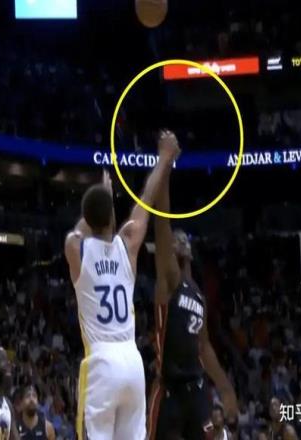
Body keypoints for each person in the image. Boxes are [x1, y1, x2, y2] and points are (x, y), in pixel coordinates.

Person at [64, 130, 180, 440]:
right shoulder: (127, 245)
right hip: (132, 361)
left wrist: (100, 200)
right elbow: (146, 200)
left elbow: (79, 231)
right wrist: (165, 157)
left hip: (101, 362)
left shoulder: (77, 250)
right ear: (113, 215)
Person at [147, 139, 238, 440]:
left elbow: (204, 346)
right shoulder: (169, 279)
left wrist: (225, 388)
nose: (181, 239)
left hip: (196, 388)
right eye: (176, 238)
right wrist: (166, 167)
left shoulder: (197, 293)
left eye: (185, 237)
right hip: (169, 389)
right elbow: (162, 221)